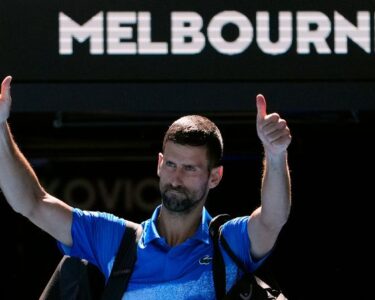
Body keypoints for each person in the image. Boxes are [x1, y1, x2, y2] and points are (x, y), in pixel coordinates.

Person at [0, 75, 292, 299]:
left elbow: (272, 218)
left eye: (190, 169)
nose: (176, 179)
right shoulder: (115, 240)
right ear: (159, 163)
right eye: (171, 165)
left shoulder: (229, 245)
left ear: (215, 176)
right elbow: (31, 202)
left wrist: (276, 154)